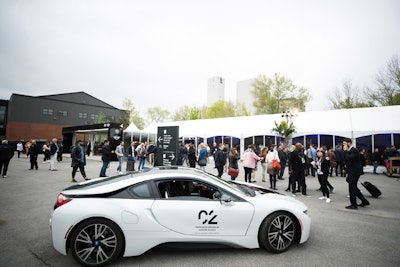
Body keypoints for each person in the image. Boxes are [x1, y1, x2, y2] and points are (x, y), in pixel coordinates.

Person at [343, 138, 369, 209]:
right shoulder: (349, 151)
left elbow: (350, 158)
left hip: (355, 172)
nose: (344, 145)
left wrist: (345, 151)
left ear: (349, 143)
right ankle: (364, 200)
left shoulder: (354, 150)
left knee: (352, 188)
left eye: (345, 144)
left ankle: (354, 204)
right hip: (351, 171)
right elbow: (346, 159)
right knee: (352, 186)